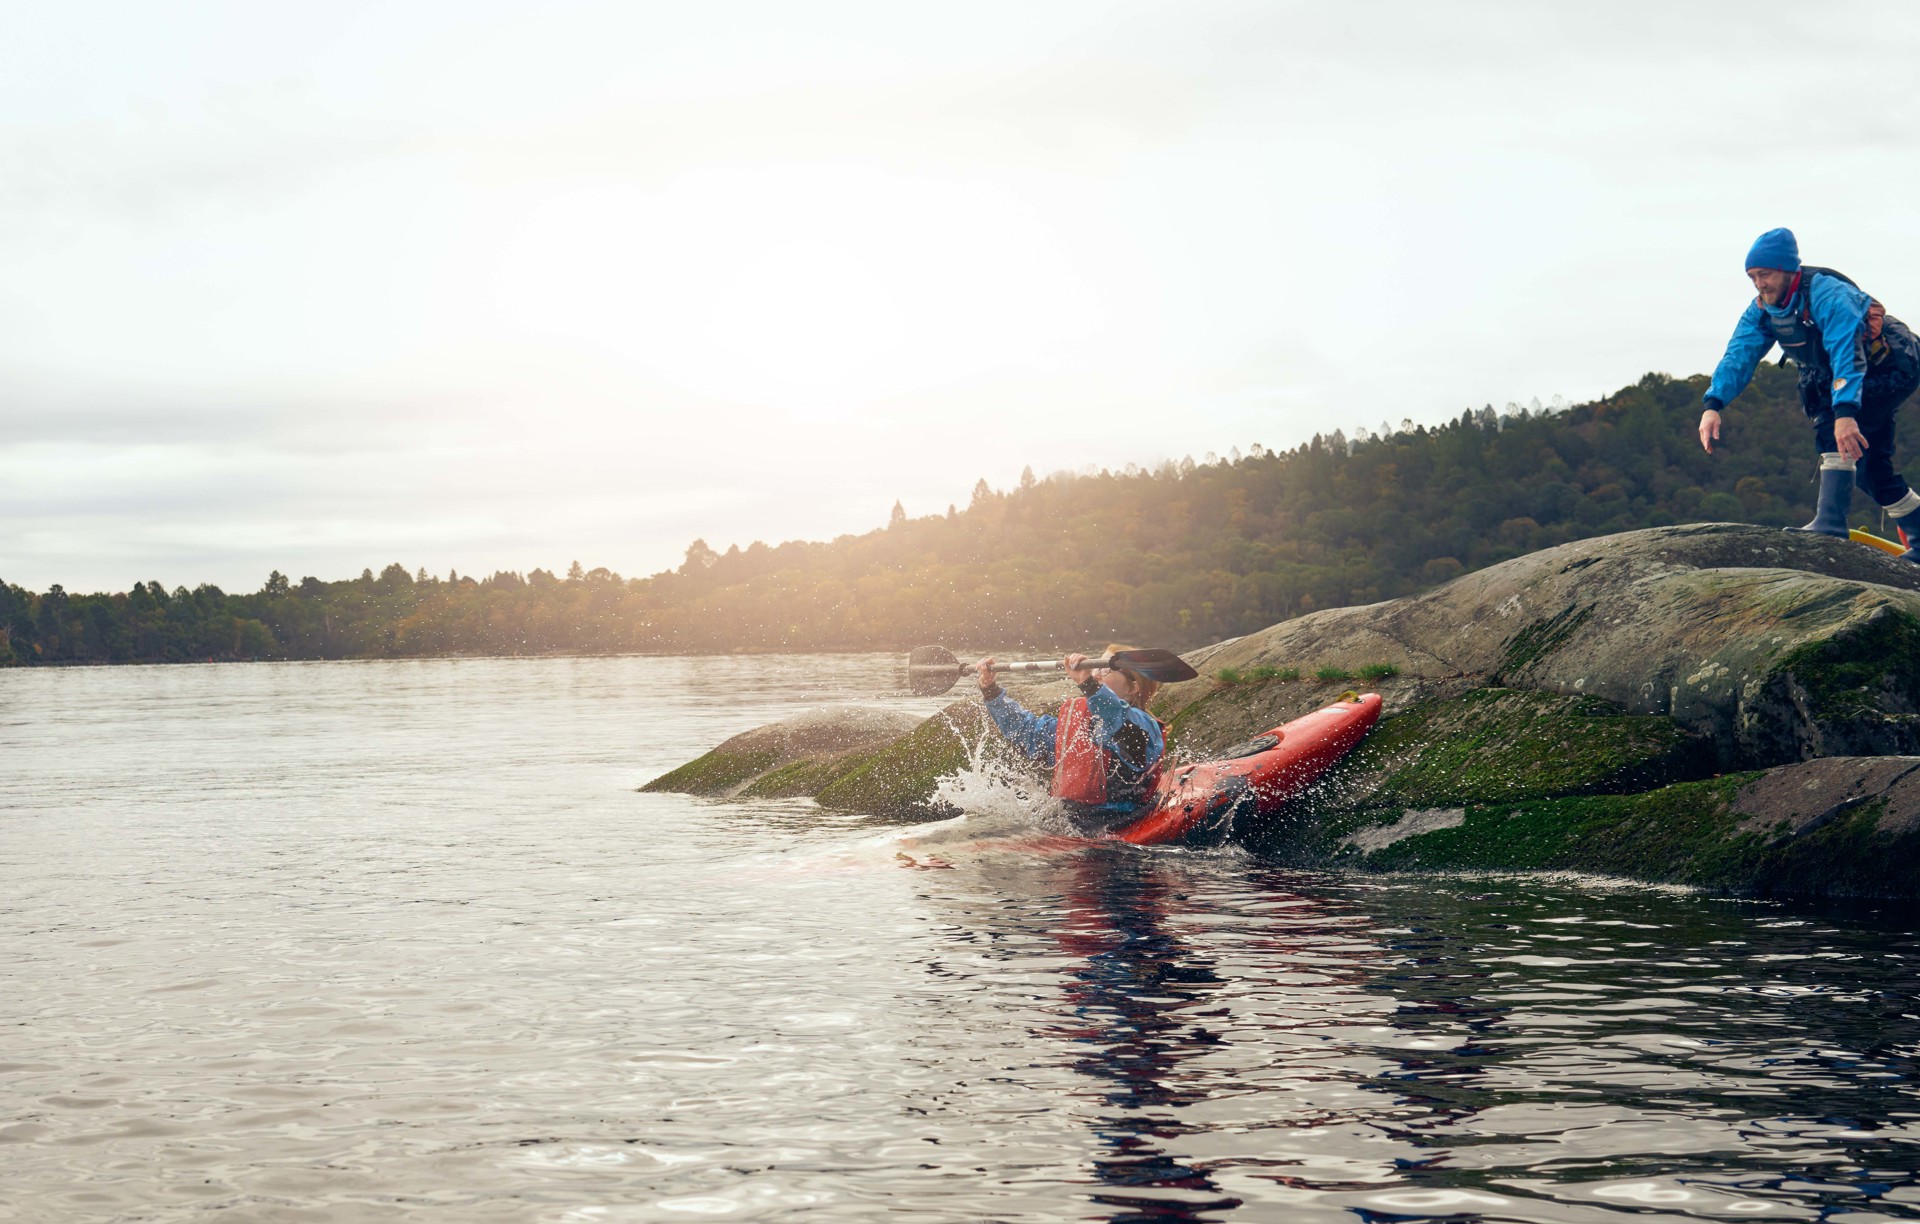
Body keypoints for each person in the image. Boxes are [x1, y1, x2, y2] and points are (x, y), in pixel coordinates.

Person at [1698, 227, 1920, 559]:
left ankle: (1830, 524)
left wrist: (1845, 414)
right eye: (1753, 277)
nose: (1760, 283)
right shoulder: (1763, 309)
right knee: (1871, 470)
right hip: (1840, 374)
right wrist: (1713, 404)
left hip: (1890, 365)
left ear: (1788, 270)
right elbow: (1739, 354)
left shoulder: (1829, 295)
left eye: (1766, 274)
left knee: (1837, 432)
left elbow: (1848, 352)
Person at [975, 647, 1168, 831]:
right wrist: (991, 690)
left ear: (1133, 687)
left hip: (1122, 822)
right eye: (1096, 667)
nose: (1096, 674)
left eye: (1106, 669)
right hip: (1073, 824)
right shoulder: (1078, 721)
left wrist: (1090, 686)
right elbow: (1027, 731)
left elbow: (1115, 718)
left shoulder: (1142, 725)